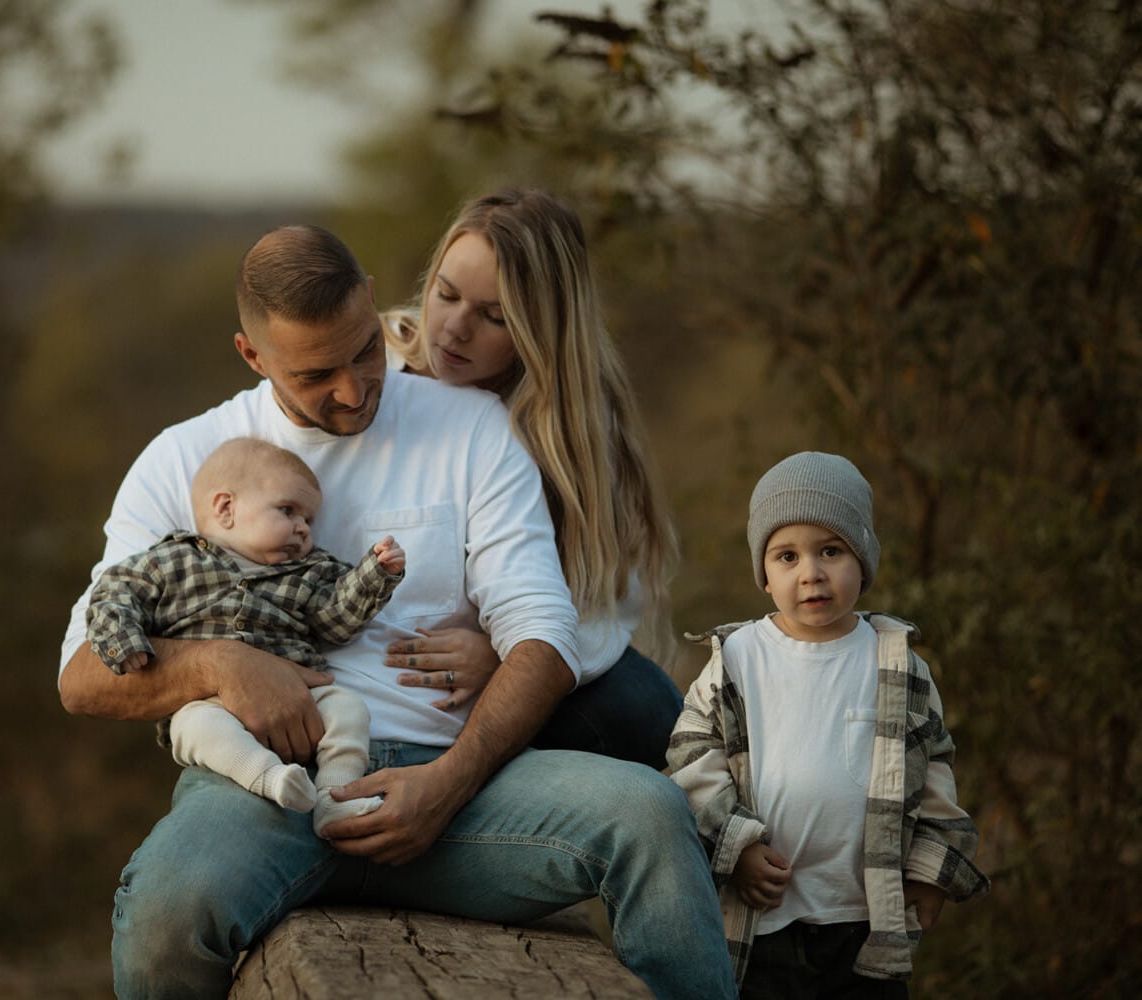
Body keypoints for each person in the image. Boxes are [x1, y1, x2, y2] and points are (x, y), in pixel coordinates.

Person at [58, 224, 736, 999]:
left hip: (460, 797)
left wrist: (448, 782)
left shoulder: (470, 426)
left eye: (364, 352)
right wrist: (222, 665)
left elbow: (543, 634)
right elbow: (82, 677)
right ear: (253, 356)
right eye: (317, 373)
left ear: (372, 304)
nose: (353, 390)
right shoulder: (184, 458)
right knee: (165, 910)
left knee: (649, 813)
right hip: (264, 792)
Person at [667, 452, 989, 995]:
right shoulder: (740, 657)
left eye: (831, 551)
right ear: (764, 575)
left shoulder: (895, 663)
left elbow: (933, 767)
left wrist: (929, 872)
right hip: (764, 912)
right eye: (787, 556)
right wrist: (738, 847)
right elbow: (692, 754)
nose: (811, 573)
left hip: (863, 916)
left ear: (862, 560)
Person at [381, 189, 682, 769]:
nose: (454, 328)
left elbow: (601, 604)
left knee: (641, 706)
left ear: (542, 329)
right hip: (388, 662)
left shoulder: (576, 429)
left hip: (509, 671)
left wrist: (507, 655)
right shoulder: (375, 368)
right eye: (444, 294)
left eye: (495, 316)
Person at [85, 436, 404, 836]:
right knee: (194, 730)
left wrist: (375, 575)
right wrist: (124, 641)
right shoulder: (172, 561)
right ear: (226, 508)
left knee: (349, 711)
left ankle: (334, 799)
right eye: (288, 510)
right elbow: (115, 593)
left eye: (309, 520)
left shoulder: (310, 570)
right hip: (206, 702)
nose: (303, 529)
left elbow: (335, 621)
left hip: (298, 695)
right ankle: (270, 779)